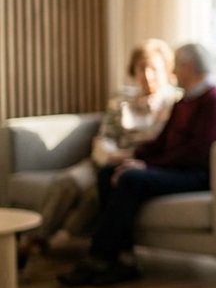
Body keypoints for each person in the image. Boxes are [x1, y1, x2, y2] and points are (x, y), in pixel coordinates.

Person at [56, 43, 216, 287]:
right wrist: (138, 158)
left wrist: (146, 166)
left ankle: (98, 257)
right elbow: (161, 141)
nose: (174, 72)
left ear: (188, 66)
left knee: (131, 179)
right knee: (108, 173)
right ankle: (124, 259)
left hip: (196, 174)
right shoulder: (185, 100)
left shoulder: (215, 101)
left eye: (176, 65)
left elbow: (196, 152)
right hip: (174, 168)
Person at [17, 40, 181, 267]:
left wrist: (129, 159)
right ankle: (36, 238)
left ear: (166, 70)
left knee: (95, 194)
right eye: (140, 68)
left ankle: (62, 240)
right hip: (104, 160)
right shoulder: (122, 100)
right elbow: (105, 137)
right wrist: (109, 156)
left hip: (135, 164)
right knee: (66, 183)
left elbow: (166, 144)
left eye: (153, 68)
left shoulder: (176, 103)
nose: (147, 74)